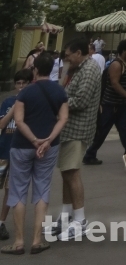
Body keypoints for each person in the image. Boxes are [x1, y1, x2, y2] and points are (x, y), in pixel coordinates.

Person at [4, 52, 68, 255]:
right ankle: (37, 240)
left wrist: (33, 139)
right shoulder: (59, 91)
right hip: (49, 146)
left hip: (22, 145)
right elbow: (63, 118)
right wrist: (48, 140)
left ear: (35, 69)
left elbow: (19, 120)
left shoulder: (25, 93)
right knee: (42, 188)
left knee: (18, 190)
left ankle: (19, 241)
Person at [51, 38, 101, 241]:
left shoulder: (89, 70)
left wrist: (56, 103)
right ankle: (66, 215)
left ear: (79, 53)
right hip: (67, 128)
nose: (66, 58)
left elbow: (81, 100)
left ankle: (80, 220)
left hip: (78, 128)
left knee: (72, 172)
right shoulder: (74, 69)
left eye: (69, 55)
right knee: (66, 171)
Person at [82, 40, 126, 168]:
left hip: (122, 104)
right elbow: (114, 83)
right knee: (103, 130)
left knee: (125, 129)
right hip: (111, 104)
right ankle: (89, 155)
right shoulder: (117, 65)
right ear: (123, 51)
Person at [0, 71, 33, 242]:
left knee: (9, 190)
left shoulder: (30, 104)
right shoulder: (7, 102)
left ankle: (1, 222)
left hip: (17, 152)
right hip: (2, 151)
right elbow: (2, 124)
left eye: (24, 83)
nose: (21, 86)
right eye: (18, 83)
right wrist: (14, 108)